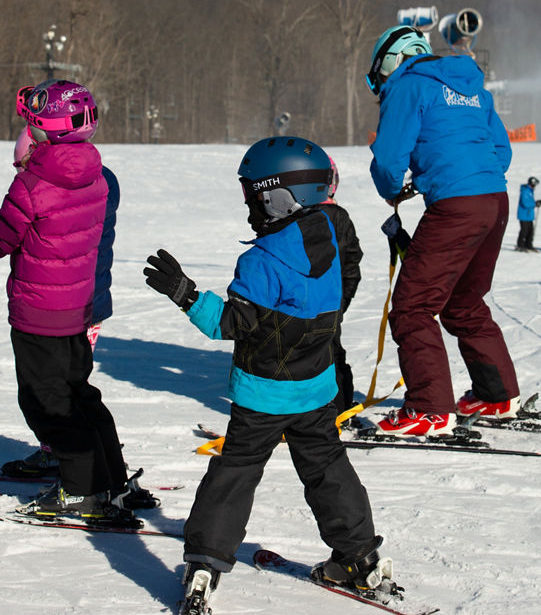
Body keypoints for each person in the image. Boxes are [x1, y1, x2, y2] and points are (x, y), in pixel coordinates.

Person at [144, 137, 397, 611]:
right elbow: (349, 277)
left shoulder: (261, 260)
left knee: (236, 472)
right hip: (318, 386)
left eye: (253, 197)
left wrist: (185, 294)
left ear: (277, 197)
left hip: (262, 395)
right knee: (327, 467)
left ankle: (204, 562)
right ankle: (358, 556)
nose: (249, 208)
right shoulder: (335, 226)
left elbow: (229, 324)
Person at [0, 80, 142, 524]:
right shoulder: (97, 177)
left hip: (38, 313)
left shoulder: (32, 183)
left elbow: (2, 236)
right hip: (77, 310)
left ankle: (82, 490)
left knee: (46, 402)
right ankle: (110, 476)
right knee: (79, 395)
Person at [365, 25, 521, 437]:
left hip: (457, 205)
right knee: (463, 303)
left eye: (380, 78)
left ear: (391, 62)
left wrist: (393, 189)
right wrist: (468, 176)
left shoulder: (408, 84)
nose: (382, 87)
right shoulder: (472, 87)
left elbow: (387, 158)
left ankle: (429, 408)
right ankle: (496, 394)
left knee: (412, 306)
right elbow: (501, 151)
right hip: (495, 201)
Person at [315, 157, 364, 419]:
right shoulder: (300, 216)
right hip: (320, 302)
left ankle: (339, 409)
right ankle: (333, 408)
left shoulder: (336, 217)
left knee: (329, 352)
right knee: (327, 351)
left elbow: (350, 262)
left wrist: (341, 301)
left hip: (329, 301)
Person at [515, 176, 541, 252]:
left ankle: (528, 245)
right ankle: (520, 245)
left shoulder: (530, 191)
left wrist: (535, 203)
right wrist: (535, 203)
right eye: (534, 185)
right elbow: (525, 203)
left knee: (530, 231)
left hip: (528, 215)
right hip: (524, 215)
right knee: (524, 231)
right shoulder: (525, 191)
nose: (534, 187)